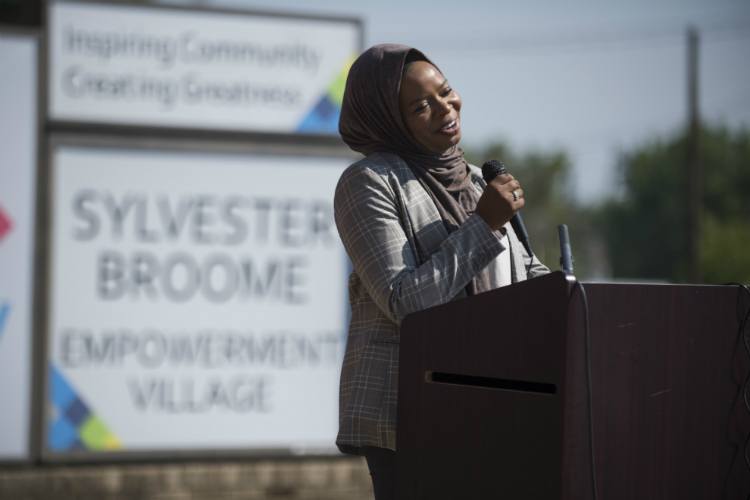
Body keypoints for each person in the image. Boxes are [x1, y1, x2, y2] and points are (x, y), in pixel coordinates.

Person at [334, 44, 549, 499]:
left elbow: (527, 279)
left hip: (497, 405)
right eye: (420, 107)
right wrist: (485, 224)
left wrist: (568, 292)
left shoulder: (478, 182)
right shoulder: (368, 182)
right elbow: (403, 302)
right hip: (412, 414)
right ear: (389, 120)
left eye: (446, 92)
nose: (444, 109)